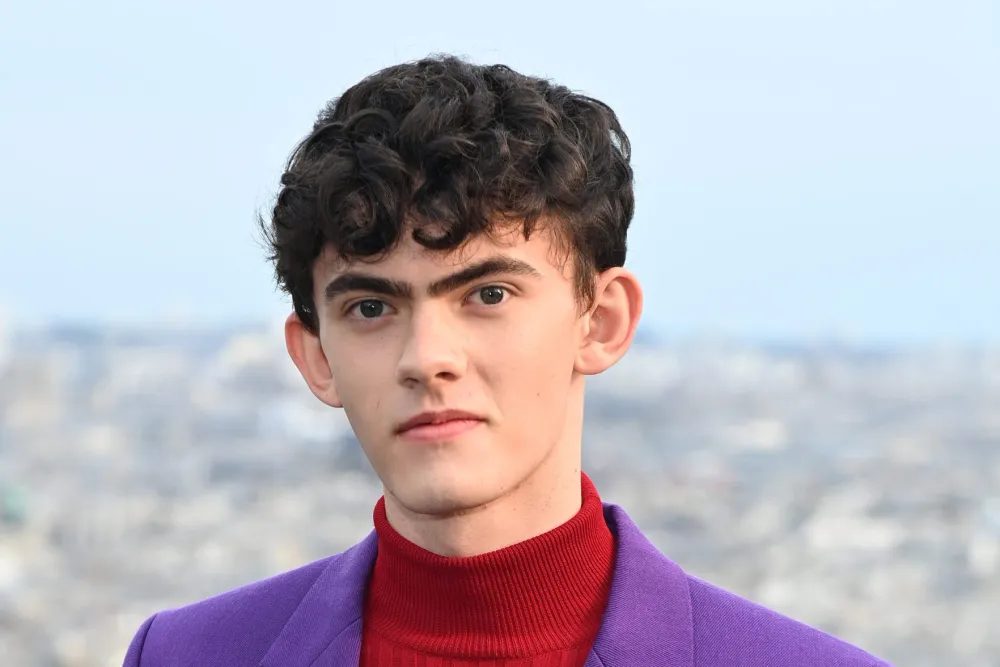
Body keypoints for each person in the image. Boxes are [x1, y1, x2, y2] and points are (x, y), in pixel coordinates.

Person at [123, 55, 889, 667]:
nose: (428, 358)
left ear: (602, 321)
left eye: (487, 294)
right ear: (315, 355)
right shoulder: (185, 655)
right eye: (371, 308)